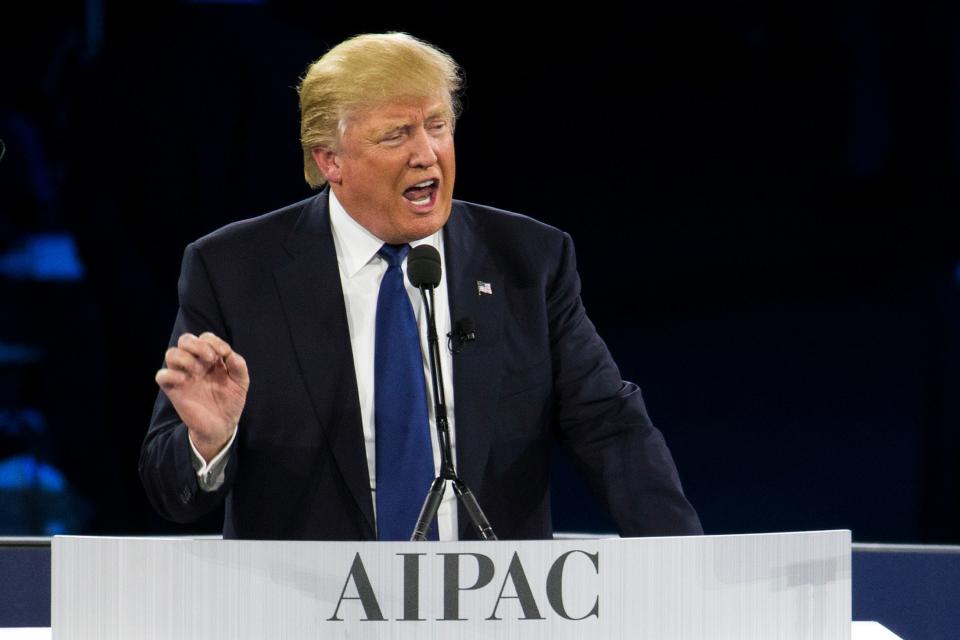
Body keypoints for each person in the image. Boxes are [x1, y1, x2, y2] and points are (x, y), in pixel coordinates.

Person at [139, 32, 702, 541]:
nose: (426, 153)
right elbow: (170, 492)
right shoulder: (235, 270)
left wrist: (686, 571)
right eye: (396, 135)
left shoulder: (528, 261)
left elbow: (610, 428)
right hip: (306, 610)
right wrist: (208, 445)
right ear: (331, 160)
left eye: (437, 125)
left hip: (489, 607)